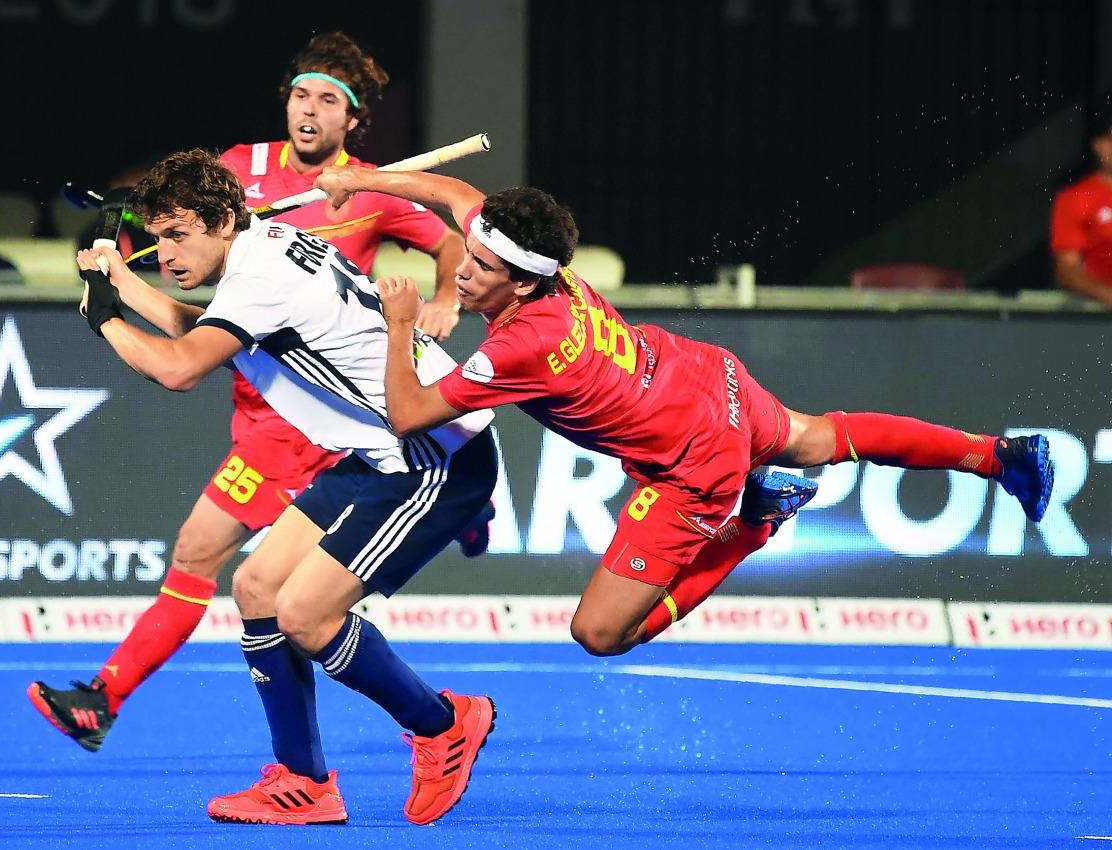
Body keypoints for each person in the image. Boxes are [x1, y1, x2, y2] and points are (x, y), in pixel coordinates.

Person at [314, 164, 1057, 657]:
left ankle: (754, 520)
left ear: (524, 282)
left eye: (480, 268)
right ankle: (1002, 457)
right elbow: (451, 192)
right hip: (700, 374)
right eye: (467, 258)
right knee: (816, 438)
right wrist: (361, 180)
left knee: (600, 633)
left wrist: (402, 322)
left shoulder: (521, 345)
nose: (462, 272)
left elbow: (409, 414)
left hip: (695, 458)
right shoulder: (530, 259)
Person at [27, 31, 491, 753]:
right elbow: (208, 312)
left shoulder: (357, 193)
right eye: (301, 94)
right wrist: (125, 273)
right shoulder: (244, 185)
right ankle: (302, 780)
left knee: (249, 581)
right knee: (254, 587)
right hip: (275, 384)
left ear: (351, 119)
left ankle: (438, 723)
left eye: (328, 100)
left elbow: (182, 365)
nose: (309, 110)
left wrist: (104, 315)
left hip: (326, 420)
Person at [1051, 112, 1112, 307]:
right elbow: (1067, 271)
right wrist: (1106, 294)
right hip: (1099, 313)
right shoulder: (1076, 198)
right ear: (1098, 144)